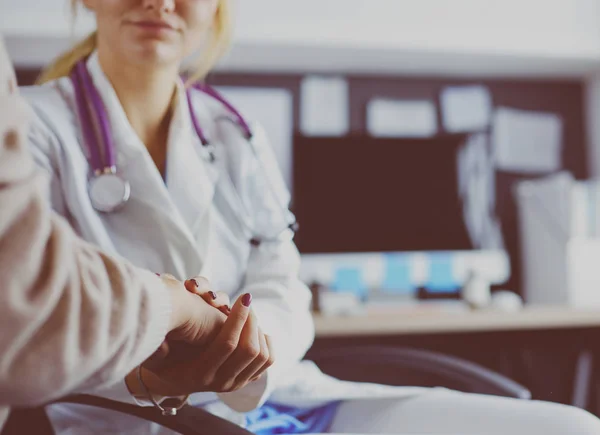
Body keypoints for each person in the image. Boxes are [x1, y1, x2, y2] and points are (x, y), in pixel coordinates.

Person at [21, 0, 600, 434]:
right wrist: (160, 363)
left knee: (571, 428)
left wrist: (249, 349)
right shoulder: (28, 128)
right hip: (128, 415)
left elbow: (283, 283)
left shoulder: (235, 131)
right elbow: (34, 313)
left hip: (276, 397)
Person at [0, 35, 265, 433]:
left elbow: (282, 273)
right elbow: (27, 304)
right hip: (94, 418)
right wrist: (171, 318)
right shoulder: (30, 120)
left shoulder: (235, 127)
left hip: (251, 408)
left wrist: (245, 351)